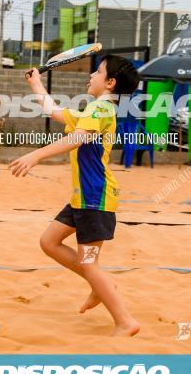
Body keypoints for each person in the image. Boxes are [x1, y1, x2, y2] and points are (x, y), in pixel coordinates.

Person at [10, 56, 141, 337]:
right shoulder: (94, 109)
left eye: (98, 71)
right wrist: (36, 83)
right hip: (83, 199)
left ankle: (125, 321)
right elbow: (55, 112)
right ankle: (101, 283)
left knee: (88, 261)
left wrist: (35, 155)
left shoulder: (102, 109)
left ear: (110, 83)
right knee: (49, 242)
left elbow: (75, 139)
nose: (92, 74)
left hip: (96, 199)